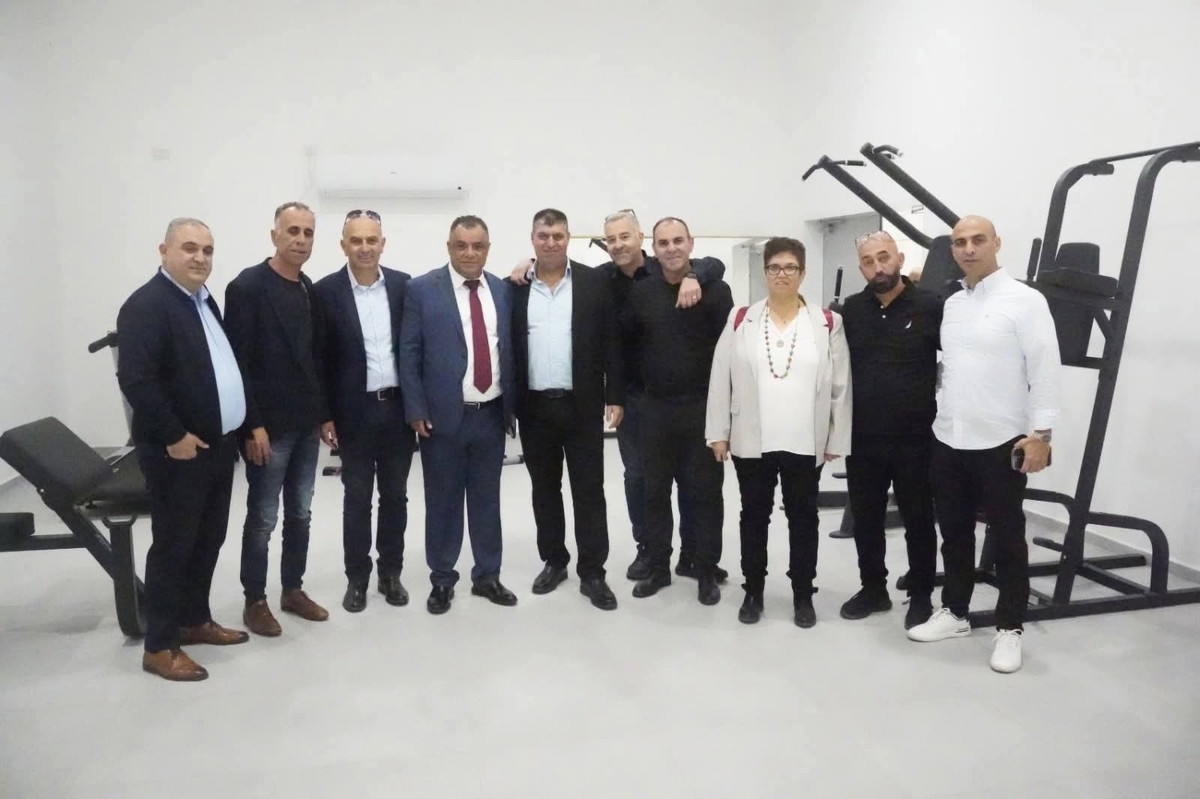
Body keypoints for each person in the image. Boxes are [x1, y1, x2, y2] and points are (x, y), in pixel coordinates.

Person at [509, 210, 727, 583]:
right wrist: (529, 262)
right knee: (640, 479)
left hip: (686, 400)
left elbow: (712, 264)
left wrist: (694, 274)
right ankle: (648, 551)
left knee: (693, 482)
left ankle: (693, 555)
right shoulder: (602, 279)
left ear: (641, 238)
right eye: (611, 239)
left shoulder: (666, 269)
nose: (619, 244)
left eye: (625, 236)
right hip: (634, 398)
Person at [906, 215, 1061, 674]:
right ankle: (955, 613)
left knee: (1007, 537)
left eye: (978, 240)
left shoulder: (1025, 301)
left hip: (1001, 439)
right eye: (960, 242)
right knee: (954, 533)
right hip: (949, 437)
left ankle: (1010, 628)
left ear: (996, 243)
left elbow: (1045, 369)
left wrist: (1042, 435)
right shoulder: (953, 304)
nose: (969, 249)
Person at [117, 218, 250, 681]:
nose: (200, 257)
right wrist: (173, 435)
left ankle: (193, 620)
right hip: (178, 452)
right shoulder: (147, 305)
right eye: (190, 248)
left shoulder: (202, 300)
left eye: (207, 250)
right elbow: (137, 380)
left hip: (216, 447)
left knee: (207, 538)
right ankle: (159, 646)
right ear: (164, 250)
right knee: (174, 546)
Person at [706, 236, 851, 627]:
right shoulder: (741, 319)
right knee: (754, 517)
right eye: (774, 267)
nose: (781, 274)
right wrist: (718, 432)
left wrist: (836, 437)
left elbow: (840, 384)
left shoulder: (826, 322)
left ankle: (803, 594)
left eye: (790, 267)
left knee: (803, 520)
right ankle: (753, 590)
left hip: (805, 441)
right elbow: (720, 377)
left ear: (802, 273)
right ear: (764, 271)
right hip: (753, 440)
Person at [399, 215, 519, 614]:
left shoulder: (502, 290)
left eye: (478, 246)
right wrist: (415, 408)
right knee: (443, 502)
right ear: (449, 247)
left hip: (491, 415)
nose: (470, 253)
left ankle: (487, 576)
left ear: (488, 248)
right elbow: (409, 354)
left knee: (487, 500)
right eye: (461, 245)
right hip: (441, 418)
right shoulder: (422, 289)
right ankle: (442, 579)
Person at [224, 201, 330, 636]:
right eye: (292, 231)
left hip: (305, 427)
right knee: (263, 518)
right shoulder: (247, 287)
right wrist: (252, 426)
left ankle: (292, 589)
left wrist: (324, 416)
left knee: (301, 513)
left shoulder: (307, 288)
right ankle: (255, 599)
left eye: (308, 232)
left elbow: (314, 360)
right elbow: (238, 364)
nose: (300, 239)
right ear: (274, 235)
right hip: (267, 429)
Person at [509, 209, 624, 610]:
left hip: (582, 406)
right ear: (533, 238)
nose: (551, 242)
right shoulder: (516, 287)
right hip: (534, 407)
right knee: (545, 490)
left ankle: (593, 572)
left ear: (568, 238)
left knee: (589, 491)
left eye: (558, 235)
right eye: (543, 235)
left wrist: (615, 395)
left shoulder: (594, 283)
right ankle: (554, 561)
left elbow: (612, 343)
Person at [624, 217, 733, 605]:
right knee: (654, 493)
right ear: (653, 249)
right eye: (663, 243)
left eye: (677, 241)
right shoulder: (642, 293)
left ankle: (705, 569)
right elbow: (626, 348)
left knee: (705, 494)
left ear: (691, 243)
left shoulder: (716, 291)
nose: (671, 248)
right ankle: (658, 567)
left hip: (702, 409)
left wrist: (727, 415)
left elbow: (729, 355)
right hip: (654, 410)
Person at [838, 231, 942, 630]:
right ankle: (873, 589)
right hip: (864, 436)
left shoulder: (931, 305)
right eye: (868, 261)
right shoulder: (852, 310)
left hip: (916, 437)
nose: (878, 267)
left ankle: (921, 594)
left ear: (898, 258)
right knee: (866, 519)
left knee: (919, 519)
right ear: (861, 267)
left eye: (884, 257)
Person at [313, 210, 415, 613]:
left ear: (383, 244)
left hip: (397, 411)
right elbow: (319, 360)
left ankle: (391, 573)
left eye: (372, 240)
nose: (365, 247)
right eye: (356, 240)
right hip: (353, 414)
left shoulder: (404, 286)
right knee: (356, 498)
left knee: (395, 497)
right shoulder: (325, 292)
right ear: (344, 245)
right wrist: (324, 415)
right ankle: (357, 578)